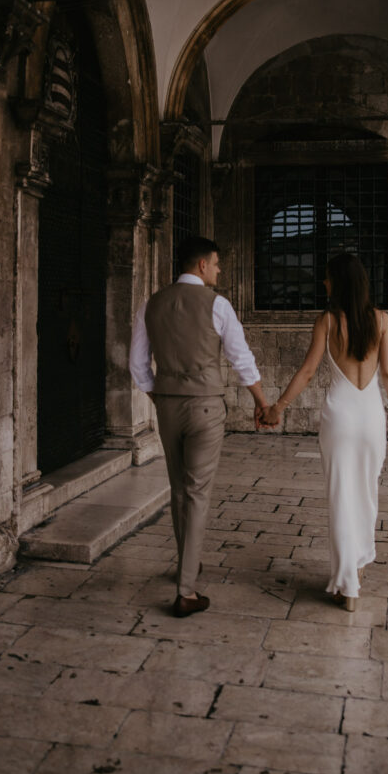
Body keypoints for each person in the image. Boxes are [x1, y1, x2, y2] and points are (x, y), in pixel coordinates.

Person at [130, 235, 269, 617]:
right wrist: (261, 402)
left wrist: (157, 396)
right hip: (206, 407)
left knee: (178, 488)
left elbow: (138, 363)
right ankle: (186, 590)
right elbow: (241, 359)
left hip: (169, 407)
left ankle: (187, 563)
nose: (220, 270)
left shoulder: (151, 303)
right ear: (202, 265)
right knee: (198, 493)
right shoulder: (217, 304)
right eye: (217, 263)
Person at [261, 252, 388, 611]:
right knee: (366, 496)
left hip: (339, 417)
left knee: (340, 497)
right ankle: (354, 572)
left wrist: (277, 407)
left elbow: (307, 372)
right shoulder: (382, 320)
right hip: (371, 417)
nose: (322, 283)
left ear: (338, 282)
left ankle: (346, 585)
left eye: (326, 278)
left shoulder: (326, 321)